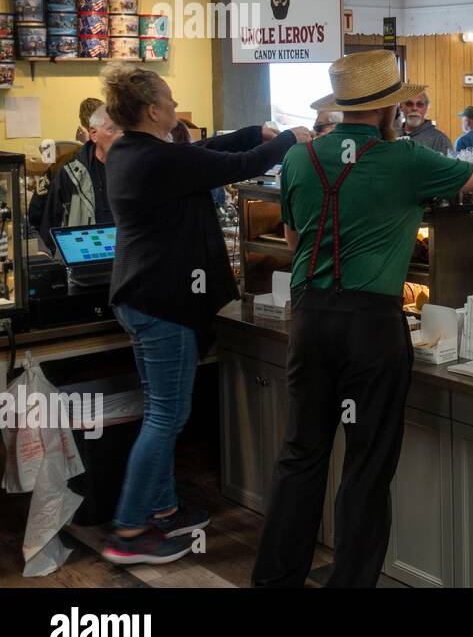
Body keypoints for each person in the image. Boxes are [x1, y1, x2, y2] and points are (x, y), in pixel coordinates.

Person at [253, 51, 473, 588]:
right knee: (367, 464)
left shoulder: (300, 160)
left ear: (339, 109)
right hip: (372, 326)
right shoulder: (406, 159)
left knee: (301, 454)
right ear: (390, 108)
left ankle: (274, 582)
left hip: (311, 318)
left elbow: (294, 241)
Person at [99, 64, 311, 565]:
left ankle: (163, 506)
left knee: (160, 411)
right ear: (153, 110)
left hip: (141, 298)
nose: (175, 106)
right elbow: (230, 166)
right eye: (170, 100)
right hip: (160, 302)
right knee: (166, 416)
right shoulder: (156, 160)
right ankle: (129, 531)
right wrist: (287, 140)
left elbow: (203, 154)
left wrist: (254, 130)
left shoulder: (134, 151)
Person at [35, 105, 121, 249]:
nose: (120, 135)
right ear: (93, 134)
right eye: (112, 129)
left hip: (123, 257)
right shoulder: (69, 171)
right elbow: (47, 224)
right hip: (84, 257)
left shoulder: (132, 169)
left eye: (124, 129)